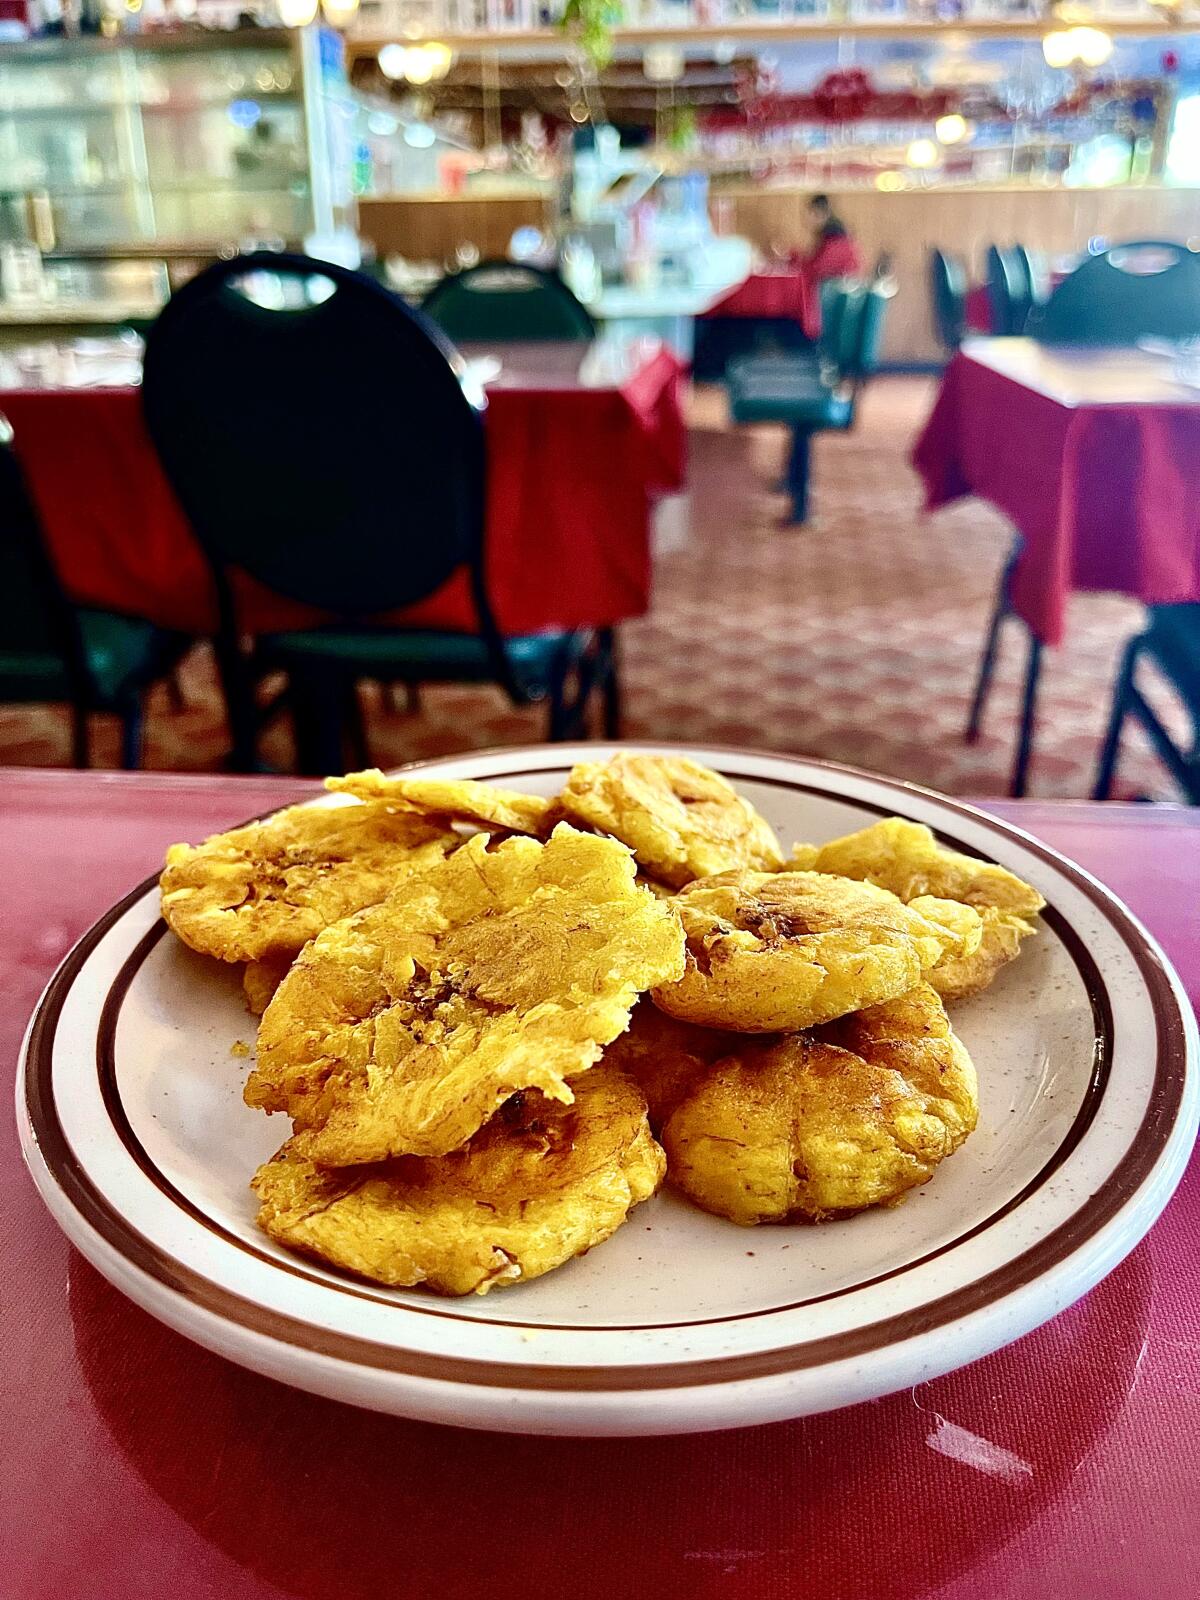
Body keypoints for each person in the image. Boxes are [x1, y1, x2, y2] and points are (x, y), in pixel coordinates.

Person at [804, 194, 864, 282]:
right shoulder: (829, 233)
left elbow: (820, 266)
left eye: (813, 214)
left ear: (822, 213)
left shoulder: (835, 237)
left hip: (837, 287)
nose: (808, 219)